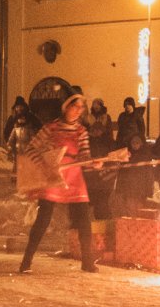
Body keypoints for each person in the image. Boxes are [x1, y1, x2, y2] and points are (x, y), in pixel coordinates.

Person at [20, 93, 104, 274]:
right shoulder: (51, 127)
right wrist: (45, 164)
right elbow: (31, 149)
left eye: (81, 108)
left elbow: (84, 156)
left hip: (74, 176)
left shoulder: (81, 131)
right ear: (66, 107)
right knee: (43, 219)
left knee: (84, 220)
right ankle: (27, 260)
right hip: (53, 175)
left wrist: (93, 163)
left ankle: (87, 262)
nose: (78, 111)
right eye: (75, 107)